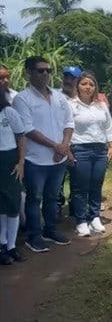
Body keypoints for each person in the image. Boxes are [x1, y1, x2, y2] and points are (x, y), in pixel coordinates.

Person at [13, 56, 74, 253]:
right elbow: (28, 129)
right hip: (35, 159)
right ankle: (34, 236)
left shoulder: (59, 97)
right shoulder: (22, 99)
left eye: (48, 70)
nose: (45, 74)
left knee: (52, 197)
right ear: (28, 73)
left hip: (58, 159)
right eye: (40, 70)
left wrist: (63, 147)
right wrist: (56, 146)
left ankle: (50, 230)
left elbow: (69, 123)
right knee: (34, 198)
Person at [68, 71, 112, 236]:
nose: (87, 87)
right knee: (81, 187)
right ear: (78, 86)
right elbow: (66, 128)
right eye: (84, 84)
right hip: (79, 148)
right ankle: (81, 220)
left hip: (99, 149)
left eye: (91, 84)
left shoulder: (101, 105)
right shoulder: (70, 105)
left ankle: (94, 216)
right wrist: (67, 150)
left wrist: (111, 146)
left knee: (96, 184)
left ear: (95, 87)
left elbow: (108, 126)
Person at [0, 89, 26, 264]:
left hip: (9, 160)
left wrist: (21, 162)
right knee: (0, 205)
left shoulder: (8, 112)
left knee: (13, 203)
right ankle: (2, 244)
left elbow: (21, 137)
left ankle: (11, 246)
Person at [56, 66, 82, 220]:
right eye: (66, 76)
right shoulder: (54, 97)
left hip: (80, 145)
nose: (68, 80)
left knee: (77, 180)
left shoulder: (84, 98)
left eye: (72, 78)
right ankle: (56, 210)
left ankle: (75, 210)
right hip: (59, 145)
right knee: (58, 182)